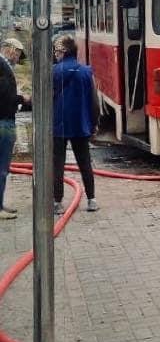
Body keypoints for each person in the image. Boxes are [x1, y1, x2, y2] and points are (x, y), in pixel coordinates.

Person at [53, 35, 100, 214]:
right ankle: (91, 199)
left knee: (58, 164)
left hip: (58, 125)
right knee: (85, 162)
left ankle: (57, 202)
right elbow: (93, 102)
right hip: (81, 124)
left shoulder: (53, 72)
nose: (55, 54)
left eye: (57, 51)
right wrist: (94, 123)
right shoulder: (86, 71)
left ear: (64, 52)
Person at [0, 37, 29, 219]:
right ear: (9, 49)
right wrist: (21, 99)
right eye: (17, 53)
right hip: (4, 122)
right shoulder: (2, 67)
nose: (18, 58)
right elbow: (3, 96)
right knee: (2, 167)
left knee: (3, 167)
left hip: (5, 120)